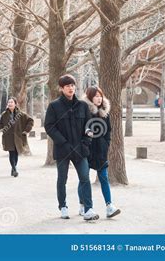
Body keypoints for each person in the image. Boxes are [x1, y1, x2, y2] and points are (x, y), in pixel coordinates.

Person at [44, 74, 99, 221]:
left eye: (73, 85)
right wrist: (63, 142)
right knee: (62, 179)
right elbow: (49, 126)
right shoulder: (54, 106)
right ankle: (63, 206)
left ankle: (88, 209)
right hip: (63, 150)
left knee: (85, 178)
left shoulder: (82, 106)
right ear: (61, 88)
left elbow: (89, 126)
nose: (71, 88)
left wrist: (86, 142)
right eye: (67, 86)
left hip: (80, 149)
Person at [81, 86, 121, 219]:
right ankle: (83, 205)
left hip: (101, 152)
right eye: (96, 96)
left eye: (100, 96)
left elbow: (108, 131)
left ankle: (109, 206)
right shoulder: (84, 111)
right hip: (86, 151)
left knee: (104, 178)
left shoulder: (105, 113)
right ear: (90, 97)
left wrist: (106, 145)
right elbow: (80, 130)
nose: (99, 98)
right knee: (84, 179)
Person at [0, 97, 34, 177]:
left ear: (15, 104)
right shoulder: (4, 114)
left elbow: (30, 120)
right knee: (11, 153)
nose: (10, 104)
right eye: (8, 102)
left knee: (16, 153)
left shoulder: (21, 114)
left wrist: (26, 130)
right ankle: (14, 169)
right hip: (8, 137)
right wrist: (0, 128)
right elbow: (0, 124)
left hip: (18, 137)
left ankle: (13, 169)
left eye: (11, 102)